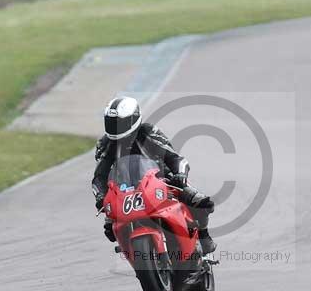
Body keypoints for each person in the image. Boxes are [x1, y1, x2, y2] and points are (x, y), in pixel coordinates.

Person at [91, 96, 217, 254]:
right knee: (110, 229)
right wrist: (100, 197)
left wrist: (180, 175)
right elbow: (99, 176)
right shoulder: (105, 143)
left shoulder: (147, 131)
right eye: (111, 123)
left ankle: (204, 236)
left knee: (200, 202)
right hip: (125, 189)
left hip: (162, 179)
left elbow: (174, 157)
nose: (115, 128)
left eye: (120, 123)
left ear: (133, 119)